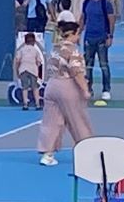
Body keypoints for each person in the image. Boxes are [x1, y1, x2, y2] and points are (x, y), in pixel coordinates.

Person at [36, 21, 92, 167]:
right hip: (67, 86)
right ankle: (87, 150)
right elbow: (76, 71)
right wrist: (85, 90)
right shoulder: (73, 51)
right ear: (73, 34)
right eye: (78, 34)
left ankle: (47, 154)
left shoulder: (55, 48)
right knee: (78, 120)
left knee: (51, 121)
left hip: (52, 85)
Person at [79, 0, 114, 101]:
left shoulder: (105, 3)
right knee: (88, 65)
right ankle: (88, 88)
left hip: (101, 38)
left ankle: (106, 89)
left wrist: (110, 36)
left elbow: (111, 20)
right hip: (89, 37)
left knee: (104, 64)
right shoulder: (86, 3)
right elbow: (83, 19)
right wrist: (78, 33)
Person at [14, 32, 44, 111]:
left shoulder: (21, 50)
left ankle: (25, 104)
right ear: (34, 41)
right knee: (35, 88)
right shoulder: (35, 50)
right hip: (33, 70)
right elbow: (39, 62)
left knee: (25, 87)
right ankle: (37, 104)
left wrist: (17, 71)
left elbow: (17, 61)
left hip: (23, 70)